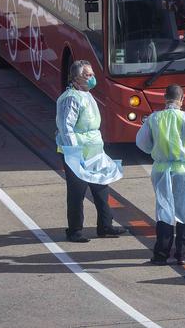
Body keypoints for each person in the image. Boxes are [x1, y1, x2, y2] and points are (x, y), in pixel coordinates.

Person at [135, 84, 185, 265]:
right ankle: (183, 254)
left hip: (162, 169)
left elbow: (142, 143)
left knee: (164, 211)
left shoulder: (154, 119)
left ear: (164, 98)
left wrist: (157, 151)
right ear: (182, 99)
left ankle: (161, 254)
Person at [56, 60, 126, 243]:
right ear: (77, 78)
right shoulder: (71, 97)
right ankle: (74, 230)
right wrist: (74, 153)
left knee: (101, 187)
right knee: (77, 192)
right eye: (88, 75)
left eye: (92, 74)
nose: (93, 78)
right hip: (77, 153)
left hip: (94, 151)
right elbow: (66, 127)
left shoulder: (86, 94)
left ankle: (105, 225)